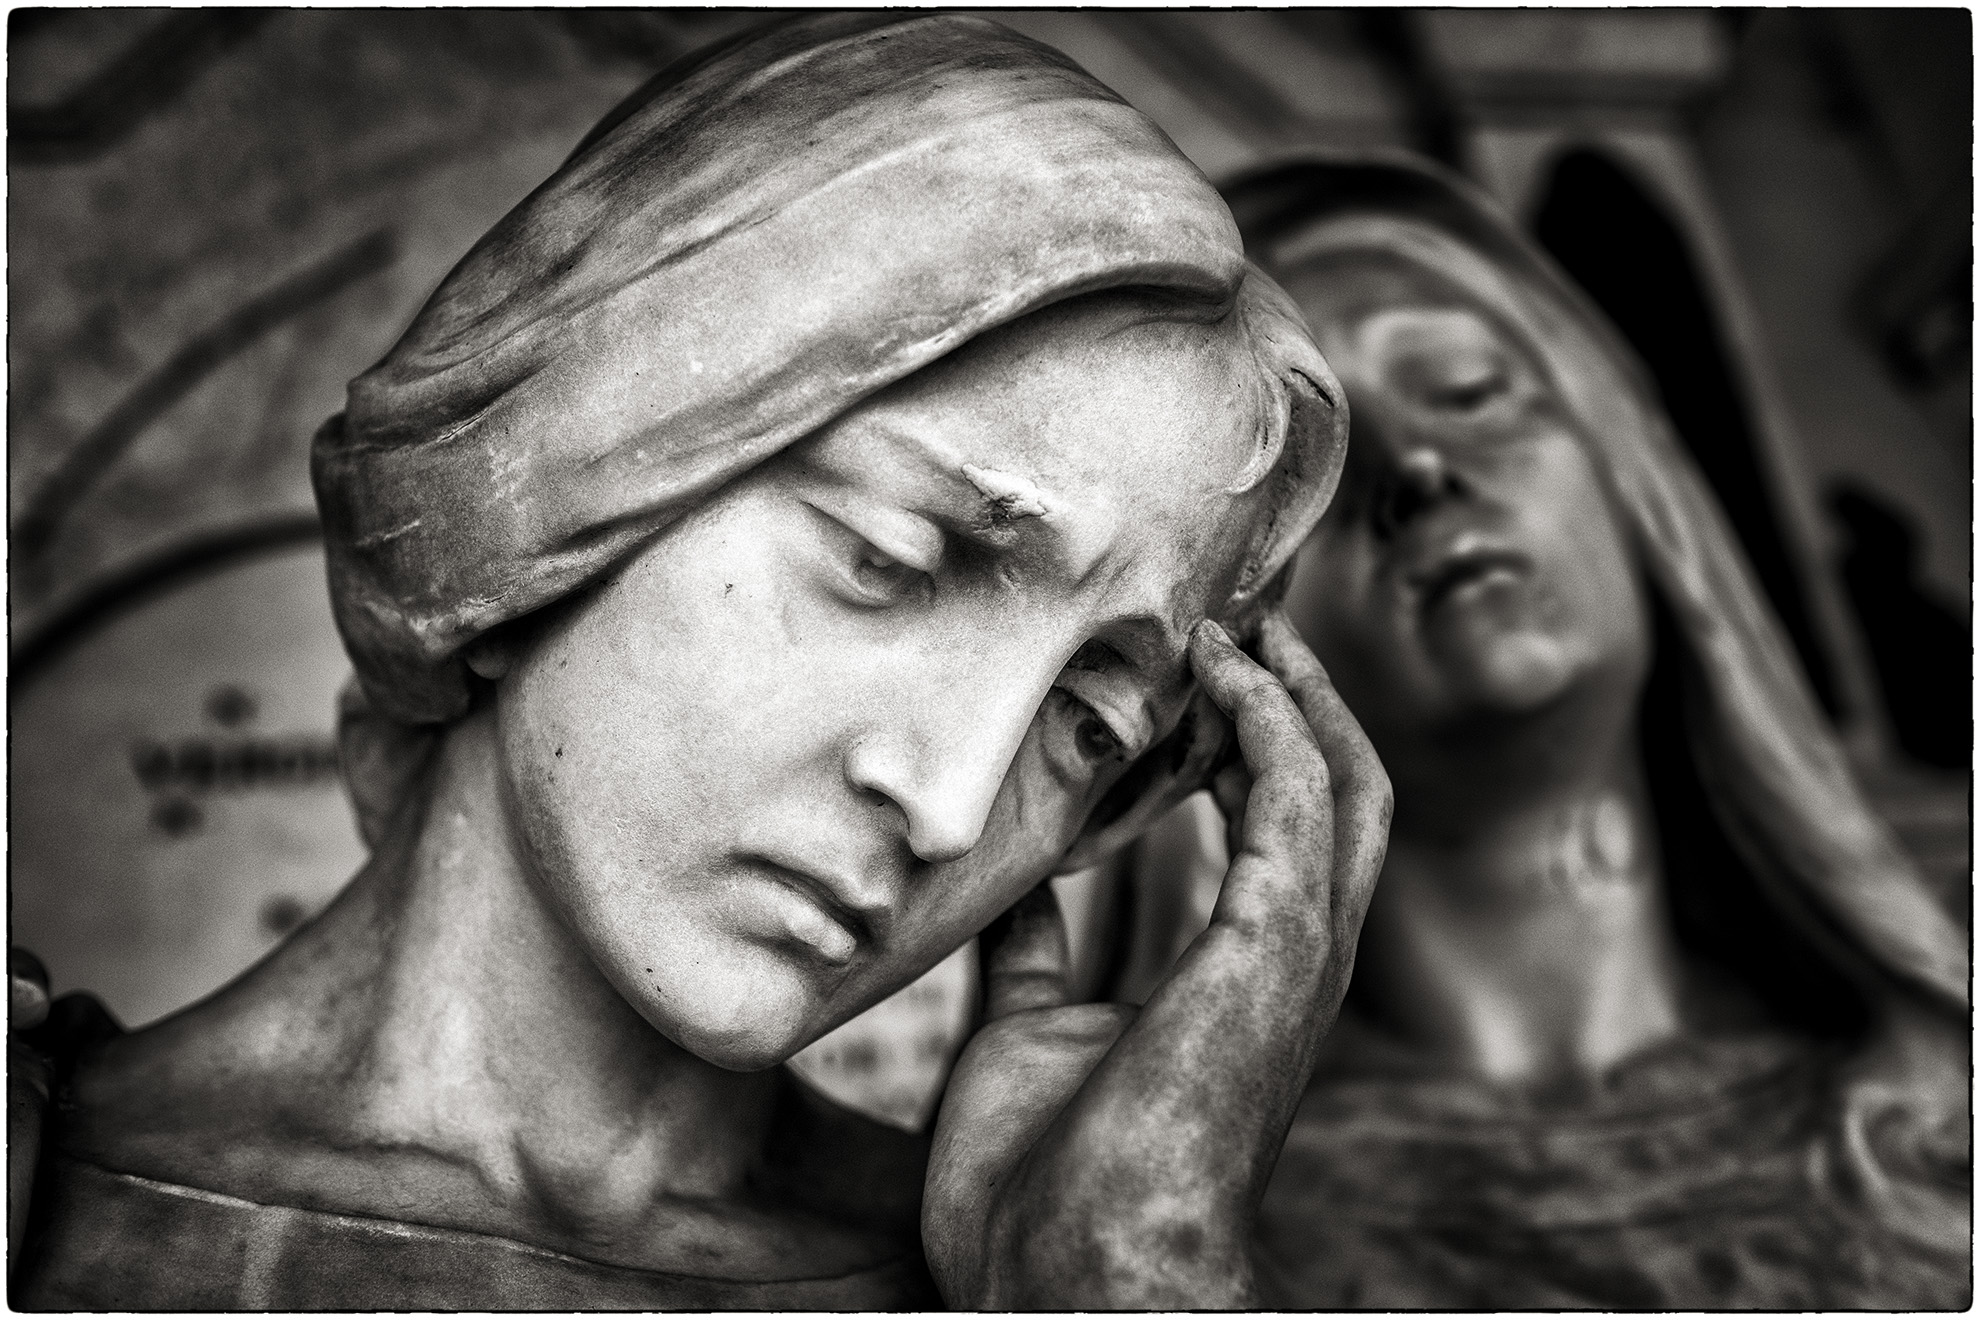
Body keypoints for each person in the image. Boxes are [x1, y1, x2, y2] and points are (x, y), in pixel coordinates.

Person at [8, 15, 1393, 1310]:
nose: (953, 805)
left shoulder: (1022, 1281)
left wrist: (1125, 1278)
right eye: (892, 565)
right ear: (569, 479)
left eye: (1086, 727)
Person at [1180, 151, 1964, 1308]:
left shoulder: (1943, 1091)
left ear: (1638, 496)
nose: (1422, 470)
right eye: (1315, 469)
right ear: (1218, 636)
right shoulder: (1195, 1217)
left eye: (1468, 388)